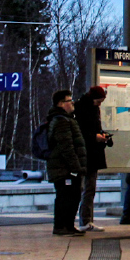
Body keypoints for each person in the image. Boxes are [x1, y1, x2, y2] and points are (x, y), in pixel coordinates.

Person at [46, 89, 87, 237]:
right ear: (61, 103)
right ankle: (61, 226)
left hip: (66, 167)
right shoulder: (61, 121)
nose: (72, 103)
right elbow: (67, 146)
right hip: (64, 168)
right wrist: (76, 166)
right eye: (69, 100)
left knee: (72, 196)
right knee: (65, 196)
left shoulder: (66, 119)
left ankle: (68, 225)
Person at [74, 85, 109, 232]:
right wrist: (95, 137)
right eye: (99, 101)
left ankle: (86, 220)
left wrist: (102, 136)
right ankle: (84, 220)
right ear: (93, 99)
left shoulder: (92, 109)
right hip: (85, 154)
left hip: (92, 153)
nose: (100, 104)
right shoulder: (81, 109)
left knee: (90, 188)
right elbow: (79, 133)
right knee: (84, 188)